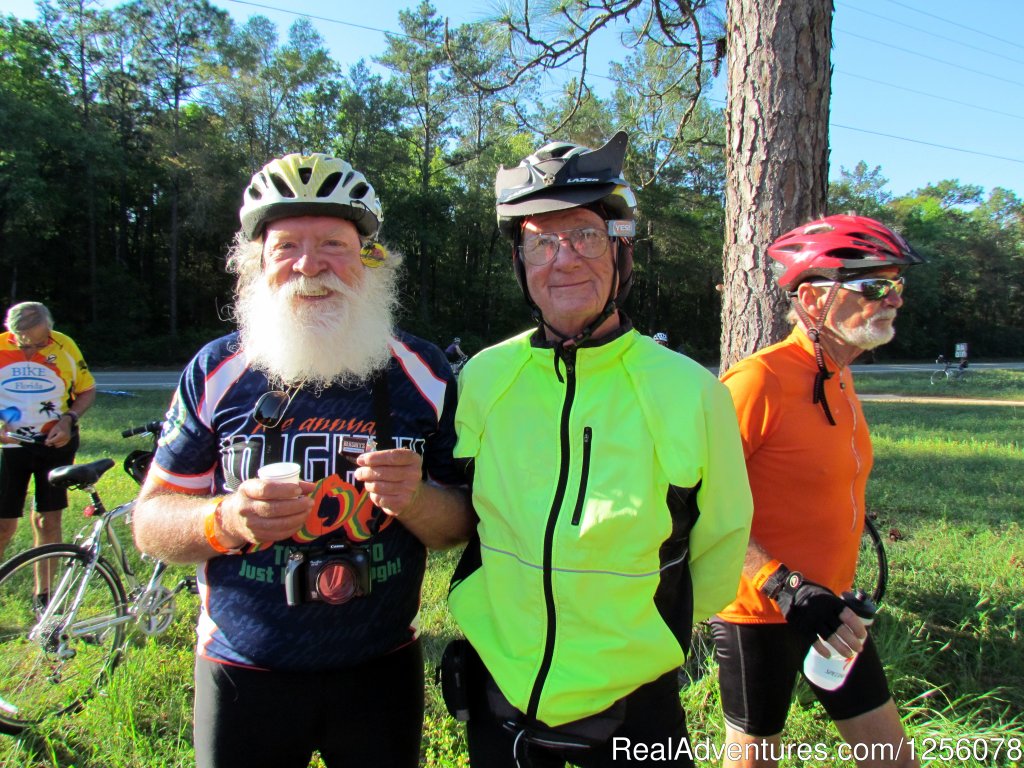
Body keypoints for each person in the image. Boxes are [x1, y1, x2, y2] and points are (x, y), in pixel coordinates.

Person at [131, 152, 474, 768]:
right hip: (242, 671)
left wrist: (418, 499)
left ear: (369, 260)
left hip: (381, 672)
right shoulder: (216, 371)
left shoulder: (424, 373)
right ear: (257, 262)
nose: (310, 266)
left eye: (334, 244)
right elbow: (149, 522)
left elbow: (459, 529)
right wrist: (225, 522)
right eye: (286, 244)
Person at [444, 131, 753, 767]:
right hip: (499, 691)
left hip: (634, 705)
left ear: (621, 251)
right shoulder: (482, 377)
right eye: (540, 241)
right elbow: (464, 508)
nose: (563, 259)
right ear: (521, 262)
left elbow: (722, 545)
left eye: (585, 234)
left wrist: (642, 635)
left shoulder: (690, 392)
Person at [713, 214, 923, 768]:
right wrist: (780, 584)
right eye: (874, 286)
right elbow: (695, 501)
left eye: (897, 285)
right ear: (812, 299)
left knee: (892, 758)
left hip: (833, 609)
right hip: (760, 611)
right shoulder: (758, 380)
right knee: (755, 759)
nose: (893, 299)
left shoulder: (840, 374)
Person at [0, 302, 96, 575]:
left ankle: (44, 597)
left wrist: (69, 420)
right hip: (10, 447)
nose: (39, 347)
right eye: (30, 343)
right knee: (3, 525)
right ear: (14, 333)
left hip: (55, 444)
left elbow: (87, 391)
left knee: (48, 521)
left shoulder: (64, 346)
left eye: (43, 340)